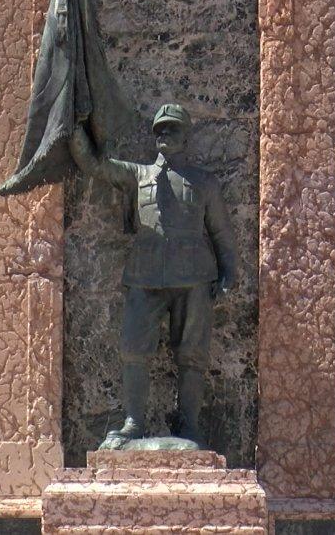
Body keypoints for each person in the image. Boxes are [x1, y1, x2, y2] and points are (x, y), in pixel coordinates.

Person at [69, 103, 238, 449]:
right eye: (159, 129)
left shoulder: (204, 182)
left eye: (172, 129)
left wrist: (229, 269)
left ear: (186, 136)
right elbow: (95, 165)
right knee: (133, 347)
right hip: (145, 273)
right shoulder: (139, 174)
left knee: (192, 353)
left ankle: (188, 423)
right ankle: (134, 421)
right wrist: (71, 126)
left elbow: (220, 231)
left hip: (193, 275)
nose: (164, 134)